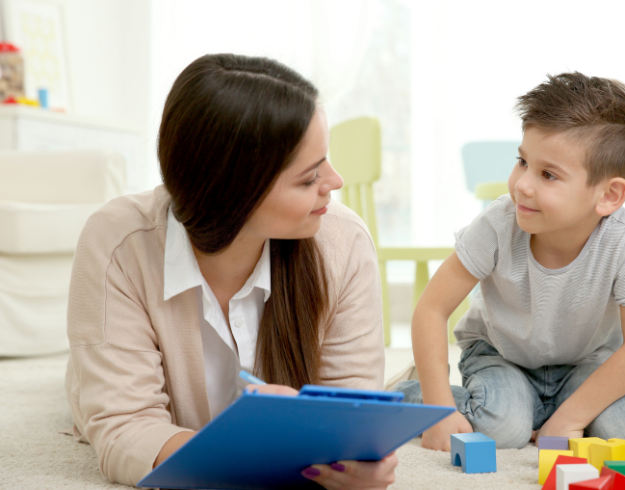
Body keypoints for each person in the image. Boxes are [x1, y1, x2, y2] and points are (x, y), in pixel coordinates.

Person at [65, 54, 396, 489]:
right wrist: (251, 449)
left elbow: (355, 411)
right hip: (105, 382)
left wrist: (354, 459)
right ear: (235, 192)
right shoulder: (119, 244)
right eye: (308, 177)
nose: (334, 181)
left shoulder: (343, 243)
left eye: (325, 162)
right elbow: (125, 430)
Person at [392, 72, 625, 451]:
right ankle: (409, 394)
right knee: (502, 430)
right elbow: (432, 308)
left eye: (548, 174)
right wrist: (438, 409)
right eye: (522, 161)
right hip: (503, 356)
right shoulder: (498, 223)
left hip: (589, 361)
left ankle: (575, 404)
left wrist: (570, 418)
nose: (522, 185)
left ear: (609, 195)